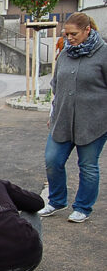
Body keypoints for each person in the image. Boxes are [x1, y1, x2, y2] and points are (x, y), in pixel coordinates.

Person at [39, 13, 107, 223]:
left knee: (87, 165)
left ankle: (83, 207)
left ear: (88, 30)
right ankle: (57, 201)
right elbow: (56, 87)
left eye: (73, 34)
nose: (69, 38)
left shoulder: (103, 53)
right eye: (66, 34)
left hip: (93, 122)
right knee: (52, 160)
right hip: (63, 120)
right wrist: (53, 112)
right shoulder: (65, 53)